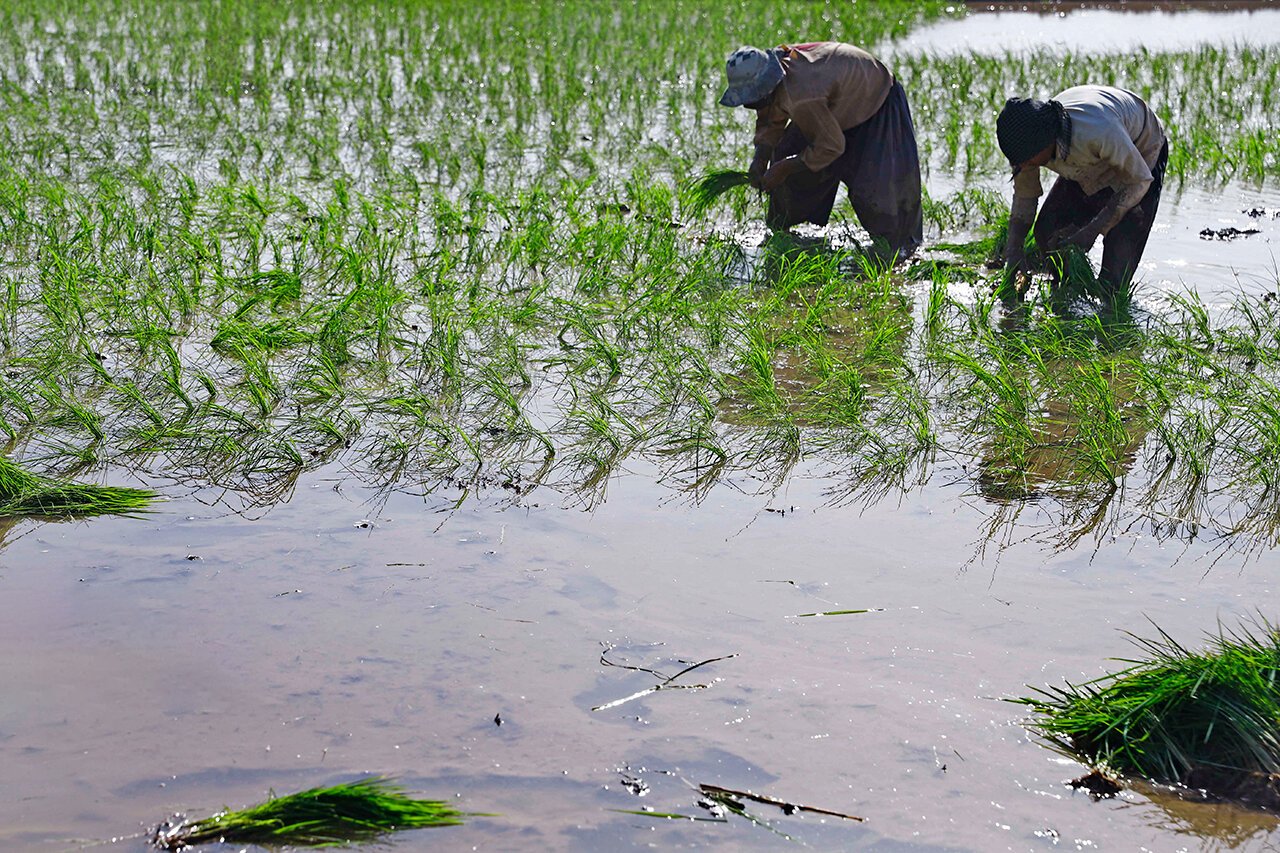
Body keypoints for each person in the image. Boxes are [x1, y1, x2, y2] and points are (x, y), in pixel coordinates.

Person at [718, 42, 922, 257]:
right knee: (785, 150)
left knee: (877, 192)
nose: (750, 105)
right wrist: (760, 159)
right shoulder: (777, 84)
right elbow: (770, 120)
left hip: (874, 100)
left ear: (766, 86)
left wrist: (785, 168)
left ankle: (900, 255)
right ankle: (782, 232)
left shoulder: (803, 94)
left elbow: (831, 146)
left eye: (752, 98)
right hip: (833, 103)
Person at [997, 85, 1168, 297]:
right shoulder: (1027, 146)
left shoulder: (1098, 131)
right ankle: (1068, 296)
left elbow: (1139, 181)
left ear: (1045, 144)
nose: (1023, 166)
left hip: (1140, 155)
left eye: (1027, 161)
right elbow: (1025, 195)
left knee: (1117, 267)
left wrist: (1091, 230)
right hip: (1091, 159)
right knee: (1048, 231)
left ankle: (1107, 313)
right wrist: (1014, 249)